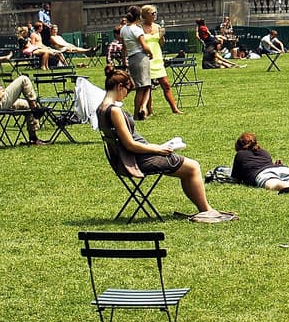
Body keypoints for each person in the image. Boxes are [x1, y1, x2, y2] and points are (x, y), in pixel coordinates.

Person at [98, 67, 234, 222]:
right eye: (127, 92)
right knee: (193, 167)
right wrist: (158, 148)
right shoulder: (114, 110)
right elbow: (130, 144)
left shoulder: (101, 108)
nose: (125, 96)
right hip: (138, 160)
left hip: (126, 159)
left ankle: (204, 209)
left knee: (187, 169)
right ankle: (207, 210)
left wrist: (158, 147)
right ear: (120, 87)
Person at [140, 4, 182, 116]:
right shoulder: (140, 27)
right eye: (152, 13)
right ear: (145, 15)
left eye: (155, 13)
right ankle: (149, 110)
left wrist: (162, 36)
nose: (155, 15)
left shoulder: (158, 26)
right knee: (147, 86)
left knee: (166, 84)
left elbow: (161, 43)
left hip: (157, 58)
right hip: (146, 58)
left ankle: (174, 108)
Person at [121, 6, 154, 120]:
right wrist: (151, 53)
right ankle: (142, 109)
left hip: (131, 58)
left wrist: (124, 60)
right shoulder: (137, 29)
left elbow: (123, 48)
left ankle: (139, 111)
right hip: (140, 57)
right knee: (146, 85)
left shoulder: (123, 29)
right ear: (138, 16)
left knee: (140, 86)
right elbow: (144, 46)